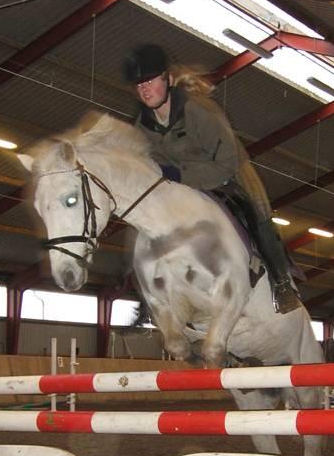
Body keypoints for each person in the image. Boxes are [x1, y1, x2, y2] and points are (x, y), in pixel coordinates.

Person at [122, 43, 301, 314]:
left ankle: (281, 282)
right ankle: (150, 294)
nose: (145, 89)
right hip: (181, 184)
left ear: (168, 80)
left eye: (150, 81)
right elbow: (148, 159)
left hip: (229, 176)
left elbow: (225, 164)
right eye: (139, 85)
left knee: (257, 215)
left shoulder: (199, 111)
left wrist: (178, 175)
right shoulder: (142, 123)